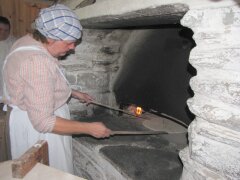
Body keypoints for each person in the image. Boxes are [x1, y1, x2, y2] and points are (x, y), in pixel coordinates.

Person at [2, 4, 111, 174]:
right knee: (50, 172)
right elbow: (43, 122)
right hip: (38, 131)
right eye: (69, 43)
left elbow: (37, 85)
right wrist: (89, 128)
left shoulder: (29, 40)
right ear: (50, 38)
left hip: (31, 116)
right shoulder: (37, 62)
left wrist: (73, 93)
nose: (73, 47)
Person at [0, 16, 15, 102]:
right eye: (0, 29)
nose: (3, 33)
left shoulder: (14, 43)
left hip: (6, 81)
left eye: (6, 30)